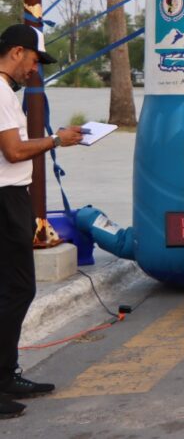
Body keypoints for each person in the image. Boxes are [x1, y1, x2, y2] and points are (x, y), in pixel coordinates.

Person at [0, 24, 85, 419]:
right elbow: (15, 151)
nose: (34, 70)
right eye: (34, 60)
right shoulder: (0, 90)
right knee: (15, 290)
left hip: (11, 198)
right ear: (17, 52)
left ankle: (6, 375)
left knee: (14, 289)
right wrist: (56, 140)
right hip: (5, 200)